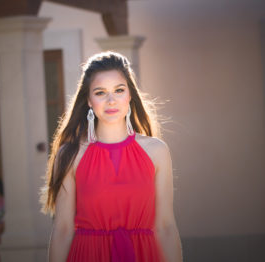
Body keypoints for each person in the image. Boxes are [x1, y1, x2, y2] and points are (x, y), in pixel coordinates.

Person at [40, 51, 183, 262]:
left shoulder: (157, 152)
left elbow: (166, 227)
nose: (111, 100)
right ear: (88, 100)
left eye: (119, 90)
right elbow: (62, 229)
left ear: (130, 95)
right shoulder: (70, 155)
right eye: (100, 92)